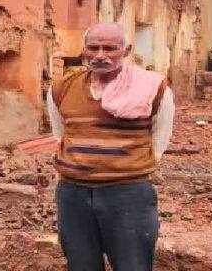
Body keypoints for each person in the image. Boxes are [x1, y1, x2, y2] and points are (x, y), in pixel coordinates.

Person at [46, 21, 174, 271]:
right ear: (84, 50)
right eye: (93, 48)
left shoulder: (151, 88)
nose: (100, 55)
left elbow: (159, 141)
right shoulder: (62, 88)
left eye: (110, 48)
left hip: (128, 195)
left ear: (126, 51)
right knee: (81, 265)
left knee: (133, 266)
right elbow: (61, 134)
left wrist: (124, 169)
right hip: (73, 195)